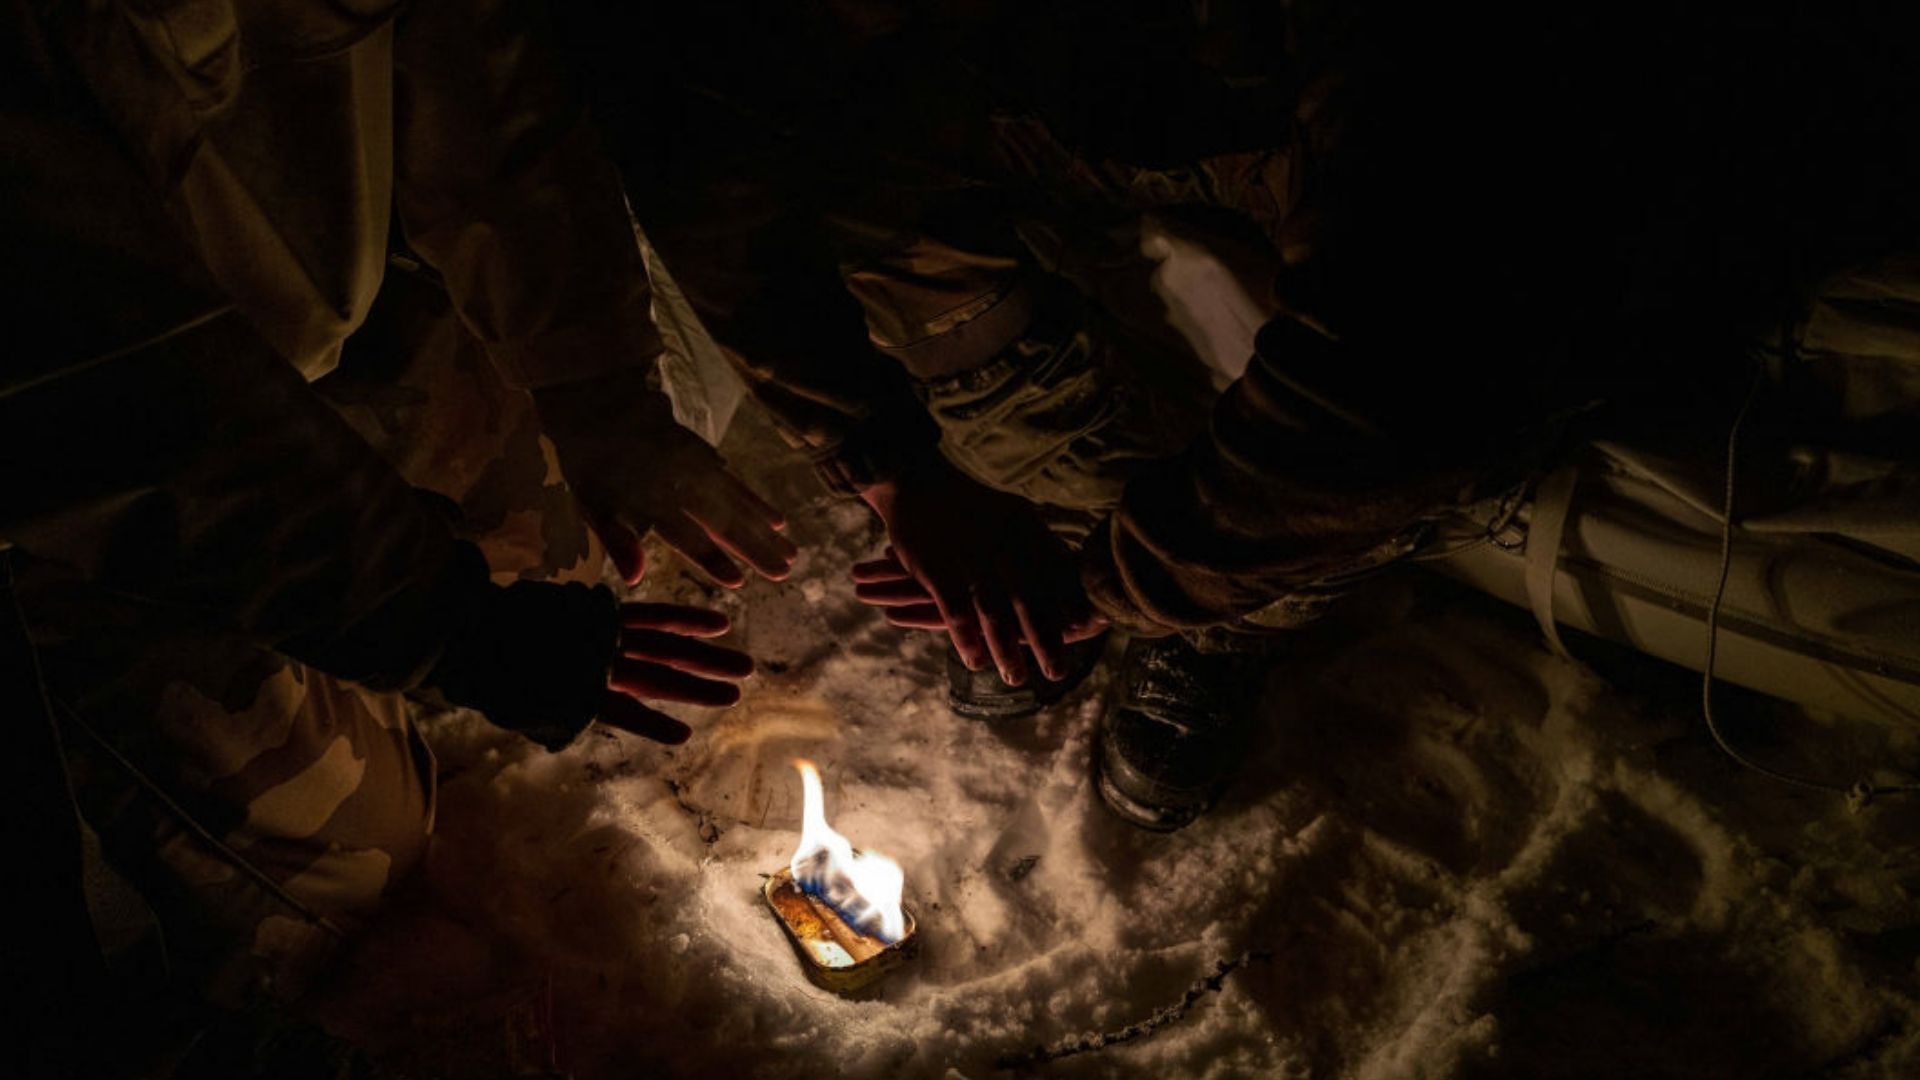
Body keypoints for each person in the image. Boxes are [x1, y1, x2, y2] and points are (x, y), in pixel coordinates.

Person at [0, 0, 781, 1070]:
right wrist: (449, 629)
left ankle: (353, 667)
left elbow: (491, 105)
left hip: (304, 363)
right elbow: (118, 405)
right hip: (67, 493)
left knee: (574, 554)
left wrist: (601, 394)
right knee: (358, 875)